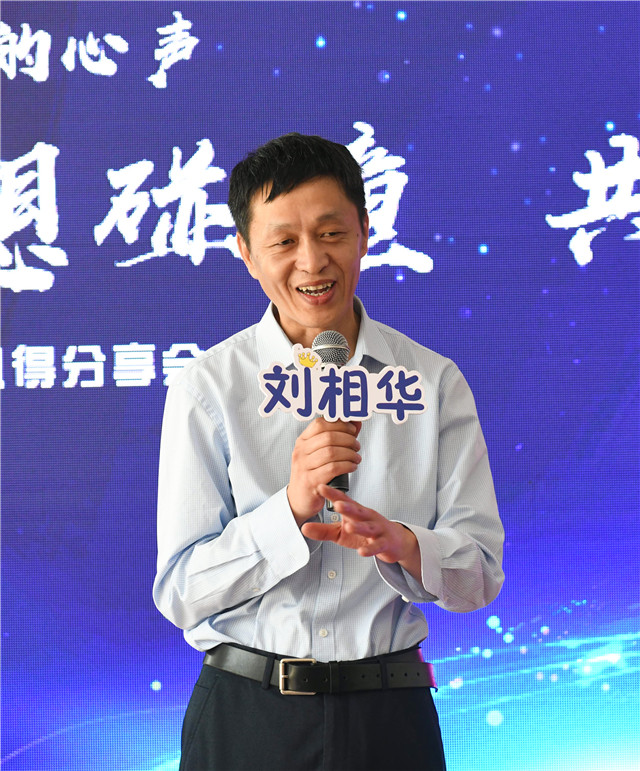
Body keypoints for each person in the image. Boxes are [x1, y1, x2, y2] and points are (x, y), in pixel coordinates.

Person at [153, 133, 504, 771]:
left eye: (331, 233)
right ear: (247, 253)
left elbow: (479, 575)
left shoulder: (431, 382)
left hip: (390, 716)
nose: (312, 262)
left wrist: (405, 545)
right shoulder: (209, 387)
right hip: (248, 716)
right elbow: (181, 590)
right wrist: (288, 510)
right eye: (283, 242)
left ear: (366, 233)